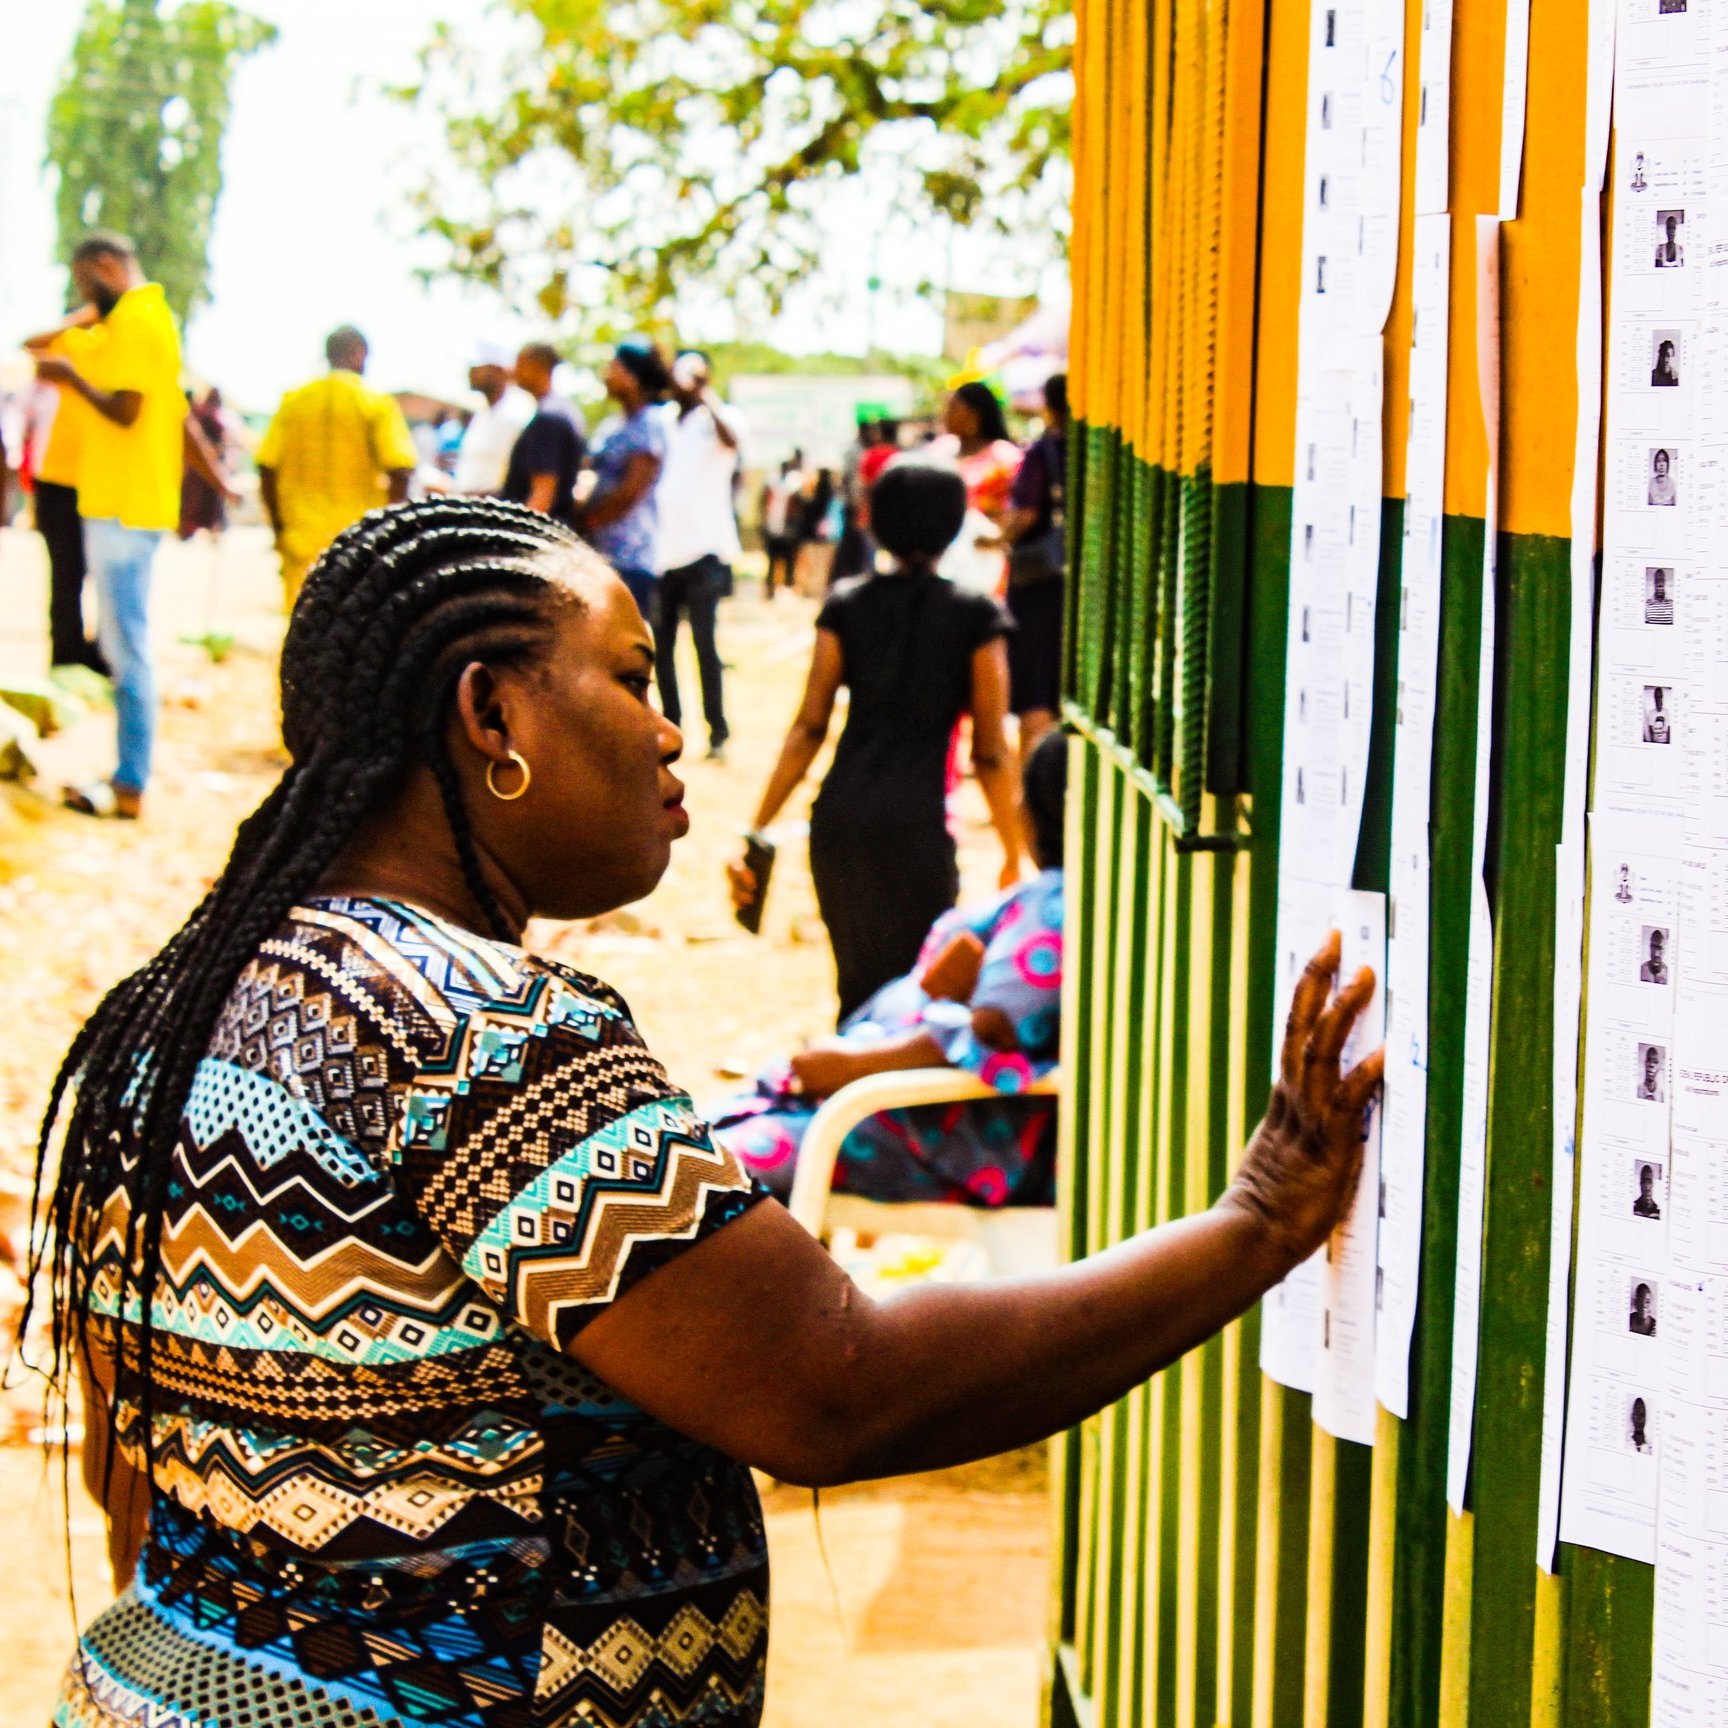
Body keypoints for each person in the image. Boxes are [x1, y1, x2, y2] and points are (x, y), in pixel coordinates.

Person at [25, 495, 1382, 1728]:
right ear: (490, 715)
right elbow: (836, 1388)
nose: (671, 732)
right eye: (630, 680)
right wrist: (1256, 1223)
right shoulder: (487, 1033)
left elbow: (124, 1476)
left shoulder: (180, 1002)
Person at [712, 729, 1068, 1201]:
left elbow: (996, 1028)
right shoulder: (1062, 897)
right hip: (904, 1111)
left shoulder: (1055, 904)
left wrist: (852, 1065)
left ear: (1035, 813)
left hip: (939, 1131)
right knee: (700, 1148)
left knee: (712, 1172)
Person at [734, 462, 1025, 1020]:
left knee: (855, 986)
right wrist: (1013, 852)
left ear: (875, 522)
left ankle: (849, 1084)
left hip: (840, 818)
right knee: (914, 992)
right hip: (919, 822)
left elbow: (810, 725)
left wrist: (761, 821)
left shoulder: (847, 603)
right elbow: (989, 750)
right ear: (954, 524)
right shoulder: (976, 614)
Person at [25, 234, 185, 819]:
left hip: (124, 505)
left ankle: (130, 782)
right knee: (123, 644)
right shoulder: (139, 320)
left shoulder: (140, 319)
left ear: (106, 267)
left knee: (127, 647)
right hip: (122, 501)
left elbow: (127, 408)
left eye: (84, 280)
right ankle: (126, 772)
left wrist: (71, 378)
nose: (82, 292)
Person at [256, 325, 418, 608]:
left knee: (302, 629)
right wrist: (393, 533)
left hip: (301, 540)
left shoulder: (294, 402)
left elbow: (266, 466)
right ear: (358, 354)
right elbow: (400, 469)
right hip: (358, 544)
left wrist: (279, 529)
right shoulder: (375, 403)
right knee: (354, 632)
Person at [654, 349, 742, 760]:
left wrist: (706, 394)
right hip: (664, 551)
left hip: (705, 550)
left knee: (704, 644)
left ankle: (717, 731)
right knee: (663, 646)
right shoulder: (664, 421)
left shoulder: (719, 417)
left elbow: (734, 443)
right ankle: (672, 725)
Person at [1000, 371, 1070, 762]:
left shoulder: (1043, 452)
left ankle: (1033, 770)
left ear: (1049, 405)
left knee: (1035, 683)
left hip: (1038, 580)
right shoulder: (1093, 451)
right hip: (1080, 579)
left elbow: (1025, 514)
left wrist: (997, 539)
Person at [25, 339, 102, 671]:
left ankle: (97, 655)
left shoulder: (125, 341)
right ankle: (66, 658)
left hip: (103, 481)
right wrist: (88, 315)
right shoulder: (74, 341)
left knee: (104, 577)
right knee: (66, 576)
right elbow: (32, 347)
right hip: (57, 482)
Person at [578, 339, 669, 619]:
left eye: (613, 367)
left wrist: (589, 520)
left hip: (630, 559)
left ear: (632, 377)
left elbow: (632, 490)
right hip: (599, 556)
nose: (606, 375)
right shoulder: (613, 426)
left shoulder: (650, 423)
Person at [934, 381, 1023, 591]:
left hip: (987, 559)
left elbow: (1018, 508)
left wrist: (997, 538)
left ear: (975, 414)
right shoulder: (940, 453)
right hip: (945, 559)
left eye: (953, 407)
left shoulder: (1004, 457)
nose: (945, 414)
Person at [501, 341, 587, 527]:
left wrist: (516, 535)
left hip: (539, 534)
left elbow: (542, 494)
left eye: (520, 363)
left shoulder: (549, 417)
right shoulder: (564, 410)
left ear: (536, 365)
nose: (514, 370)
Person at [453, 341, 536, 496]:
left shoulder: (518, 413)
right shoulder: (482, 414)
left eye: (476, 367)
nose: (470, 372)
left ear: (497, 370)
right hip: (468, 509)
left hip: (493, 512)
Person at [177, 386, 231, 541]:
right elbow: (193, 441)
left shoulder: (205, 414)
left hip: (202, 466)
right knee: (195, 500)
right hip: (202, 465)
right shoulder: (203, 415)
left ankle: (204, 531)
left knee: (202, 501)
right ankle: (187, 531)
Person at [760, 451, 804, 596]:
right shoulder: (772, 483)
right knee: (772, 558)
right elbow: (764, 502)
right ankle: (770, 587)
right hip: (774, 524)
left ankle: (787, 586)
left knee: (789, 558)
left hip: (788, 525)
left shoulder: (794, 483)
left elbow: (798, 505)